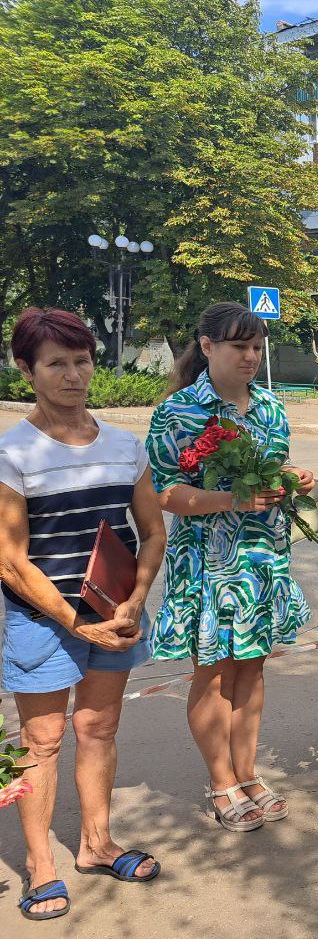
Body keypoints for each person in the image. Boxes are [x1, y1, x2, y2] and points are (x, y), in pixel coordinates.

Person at [0, 309, 166, 921]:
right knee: (41, 740)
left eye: (83, 361)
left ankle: (96, 845)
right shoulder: (11, 452)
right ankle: (41, 866)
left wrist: (134, 600)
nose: (74, 375)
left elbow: (151, 531)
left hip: (113, 612)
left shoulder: (125, 445)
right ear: (27, 369)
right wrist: (75, 623)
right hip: (43, 620)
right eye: (57, 364)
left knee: (98, 728)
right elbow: (11, 562)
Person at [147, 302, 315, 830]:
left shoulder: (269, 407)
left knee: (253, 667)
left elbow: (274, 468)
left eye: (257, 346)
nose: (250, 356)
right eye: (239, 345)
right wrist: (230, 500)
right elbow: (164, 494)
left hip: (262, 558)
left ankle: (247, 772)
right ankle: (220, 781)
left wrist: (292, 479)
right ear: (207, 346)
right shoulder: (178, 413)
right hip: (207, 562)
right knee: (215, 673)